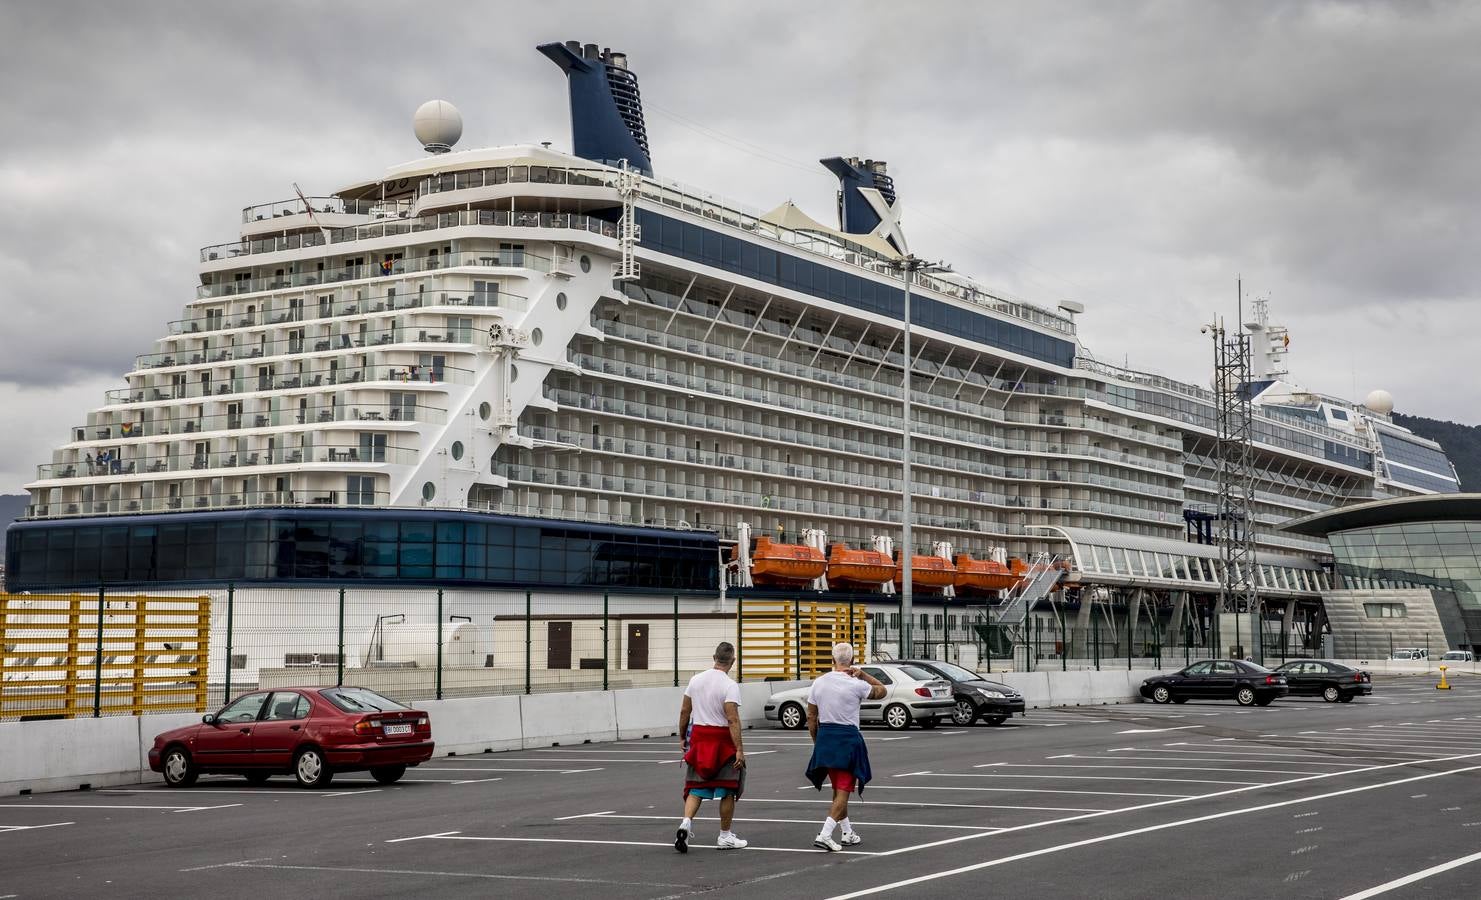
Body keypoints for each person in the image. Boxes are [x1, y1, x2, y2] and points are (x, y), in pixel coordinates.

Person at [804, 642, 885, 851]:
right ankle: (825, 834)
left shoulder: (819, 683)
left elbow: (811, 717)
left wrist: (817, 742)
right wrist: (863, 675)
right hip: (847, 738)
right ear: (852, 661)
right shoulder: (856, 684)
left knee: (838, 786)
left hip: (826, 737)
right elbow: (882, 691)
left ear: (832, 660)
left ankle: (847, 833)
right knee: (845, 789)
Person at [676, 641, 747, 852]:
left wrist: (682, 738)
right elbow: (732, 719)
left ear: (713, 657)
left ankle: (685, 823)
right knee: (728, 789)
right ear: (732, 661)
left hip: (699, 737)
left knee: (695, 787)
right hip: (722, 740)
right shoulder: (729, 685)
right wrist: (740, 750)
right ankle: (724, 836)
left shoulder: (695, 680)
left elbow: (684, 711)